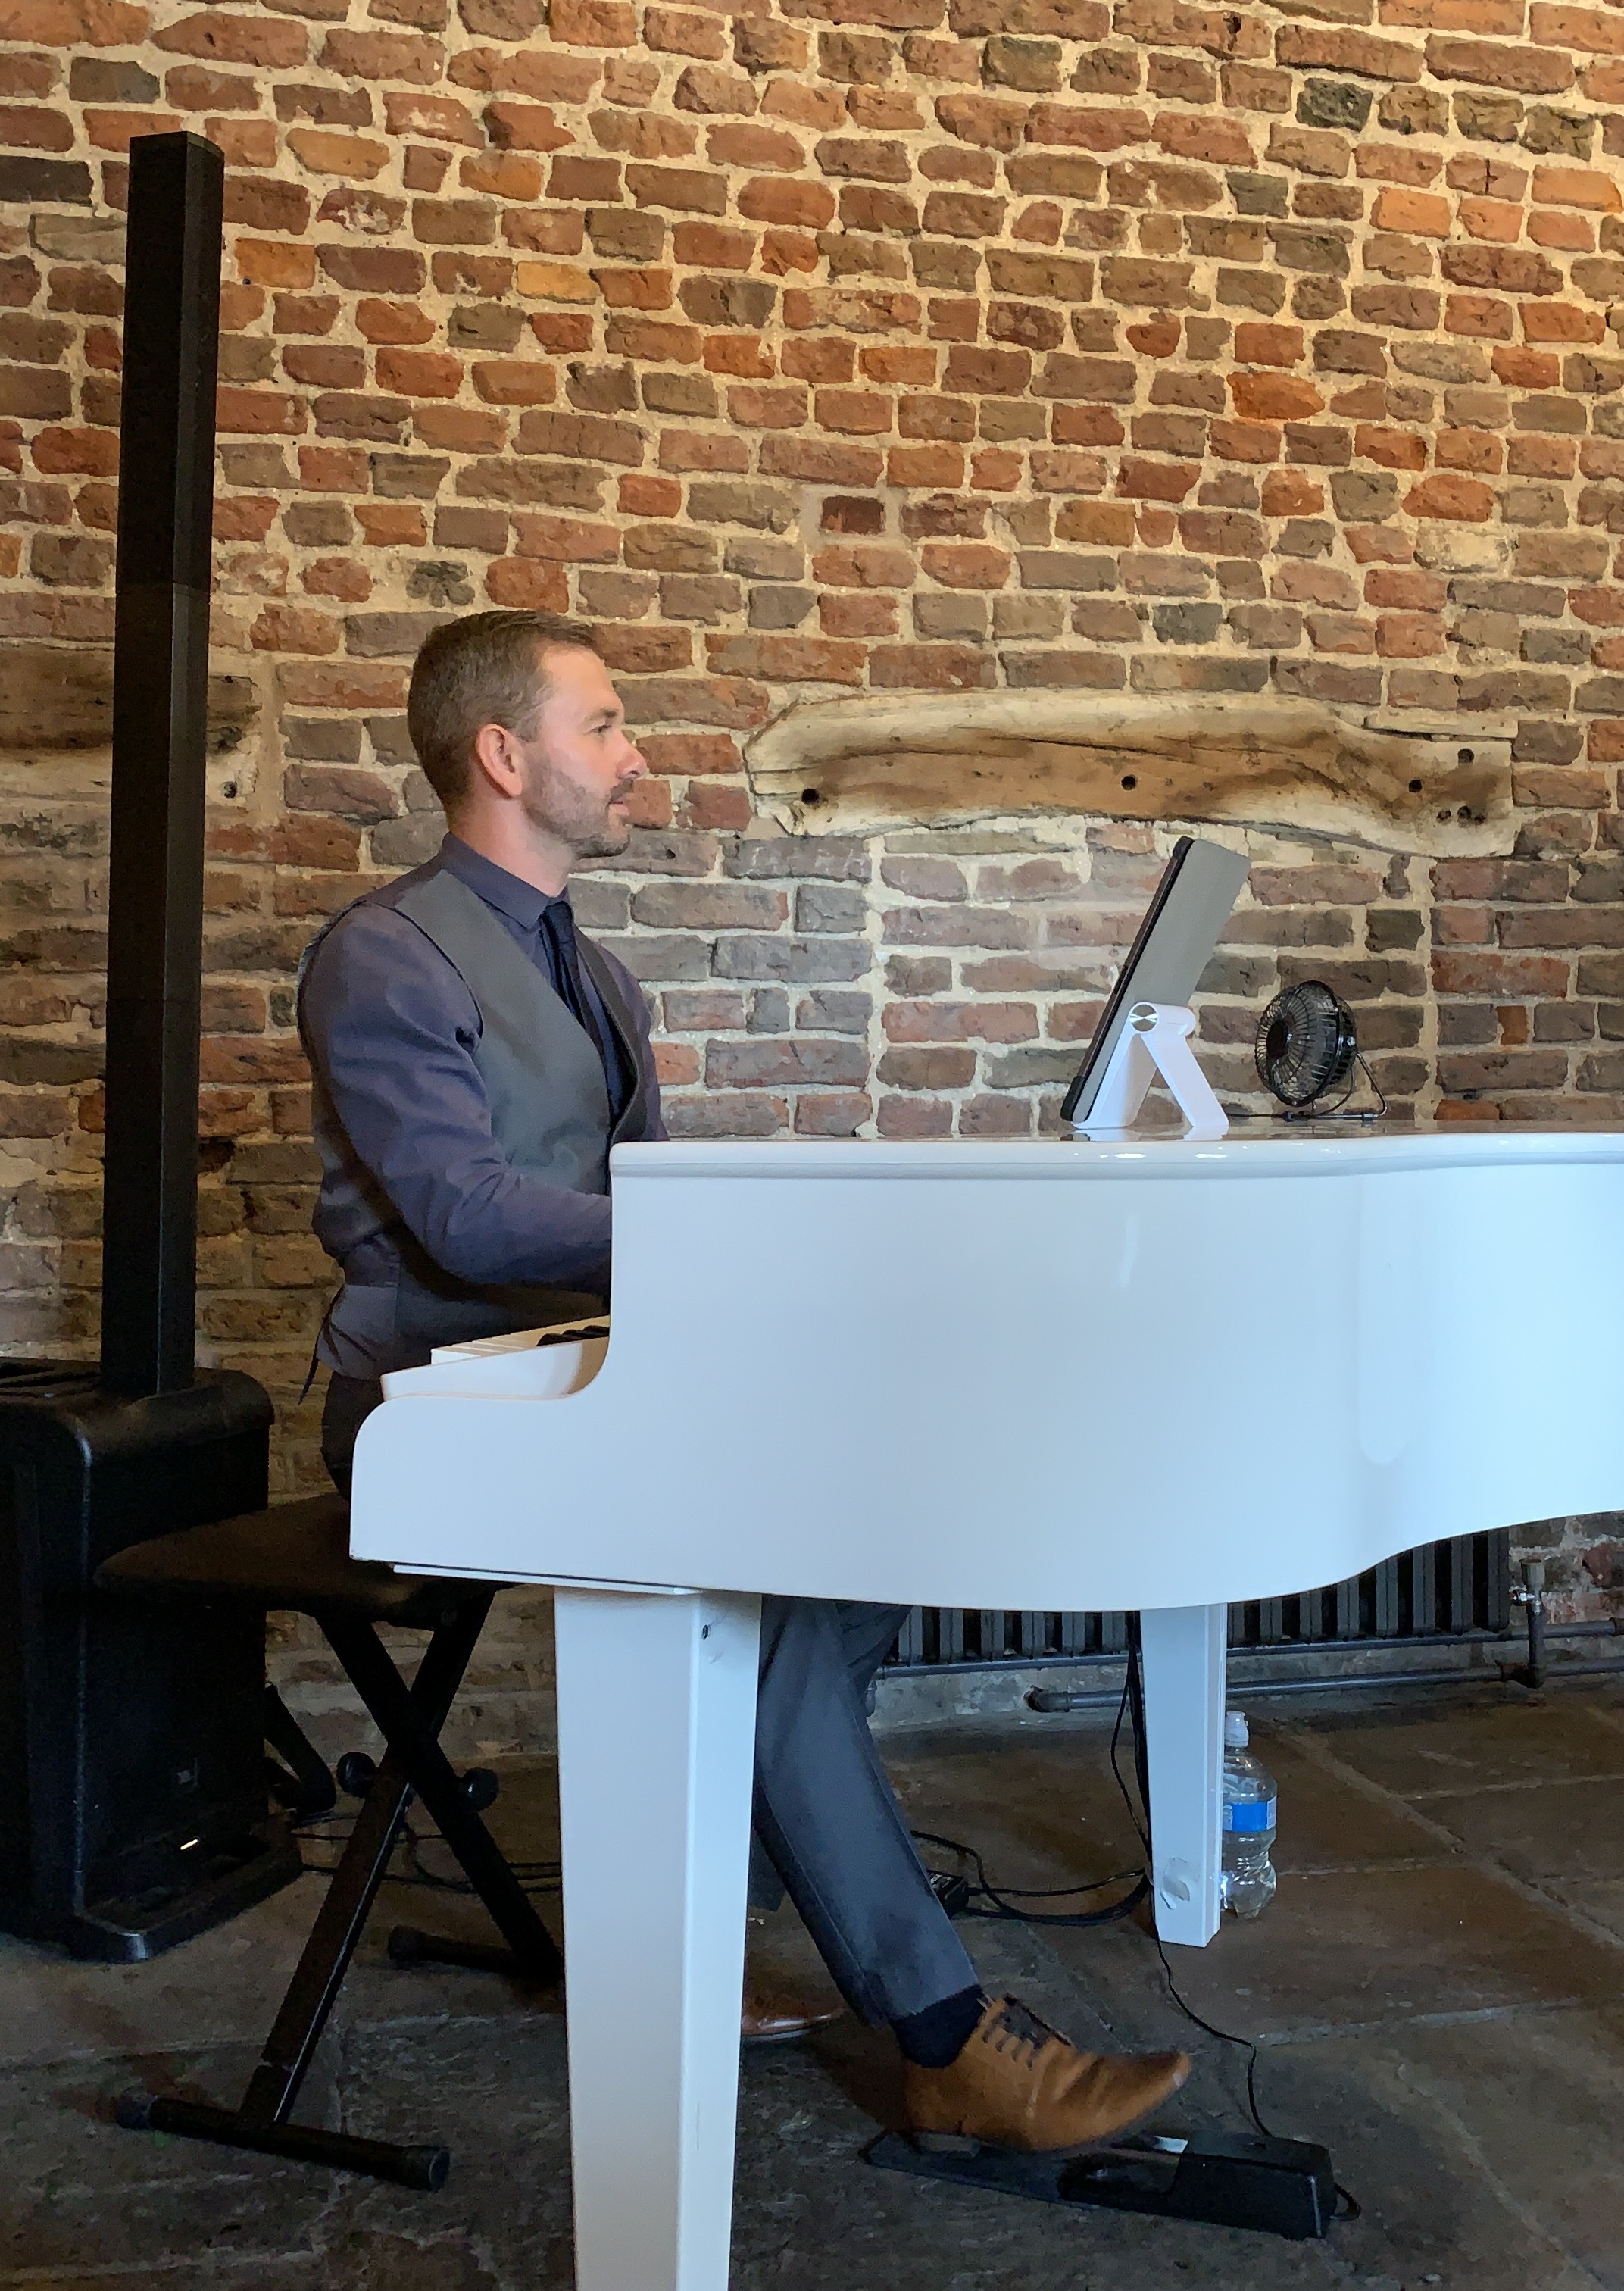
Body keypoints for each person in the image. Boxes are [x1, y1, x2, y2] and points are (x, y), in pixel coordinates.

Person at [297, 607, 1191, 2151]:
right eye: (607, 726)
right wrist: (745, 1234)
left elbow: (628, 1210)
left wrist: (777, 1227)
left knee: (854, 1533)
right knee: (784, 1588)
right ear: (505, 756)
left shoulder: (599, 971)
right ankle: (942, 2037)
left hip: (574, 1372)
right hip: (432, 1400)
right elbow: (461, 1215)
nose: (636, 760)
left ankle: (689, 1956)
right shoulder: (383, 953)